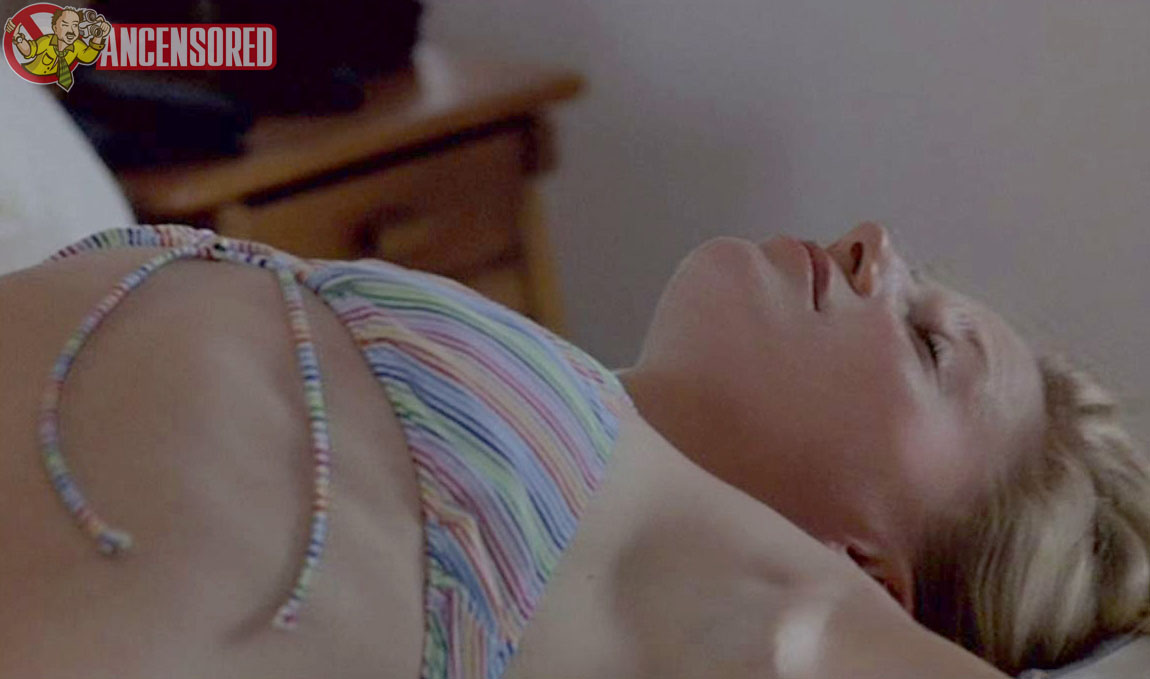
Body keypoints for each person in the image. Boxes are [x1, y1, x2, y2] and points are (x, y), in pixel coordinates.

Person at [0, 222, 1145, 678]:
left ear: (871, 579)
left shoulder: (767, 607)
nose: (875, 247)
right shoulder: (597, 430)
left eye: (930, 344)